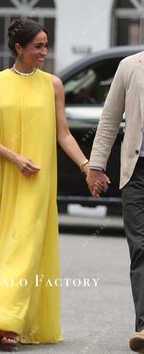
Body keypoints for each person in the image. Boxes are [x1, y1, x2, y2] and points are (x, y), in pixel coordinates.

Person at [0, 17, 89, 350]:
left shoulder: (53, 85)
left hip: (37, 179)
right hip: (2, 175)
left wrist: (87, 165)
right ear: (19, 48)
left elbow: (63, 134)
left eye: (46, 45)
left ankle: (4, 322)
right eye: (38, 46)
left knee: (24, 249)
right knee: (4, 247)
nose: (45, 52)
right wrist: (15, 157)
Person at [86, 51, 144, 353]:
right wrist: (96, 165)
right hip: (136, 173)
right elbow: (109, 118)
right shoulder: (130, 66)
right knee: (140, 246)